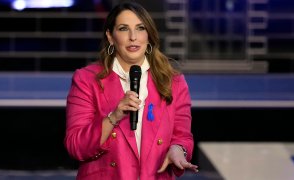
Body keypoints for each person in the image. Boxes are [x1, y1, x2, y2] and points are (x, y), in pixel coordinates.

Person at [64, 1, 198, 179]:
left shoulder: (174, 82)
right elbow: (76, 146)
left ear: (149, 35)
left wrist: (178, 149)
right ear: (111, 36)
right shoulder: (86, 79)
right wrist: (114, 116)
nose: (133, 37)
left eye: (140, 28)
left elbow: (183, 136)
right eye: (124, 29)